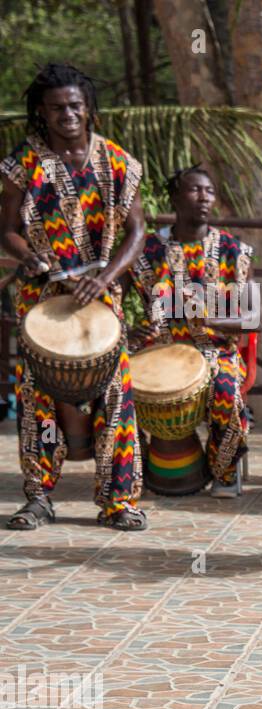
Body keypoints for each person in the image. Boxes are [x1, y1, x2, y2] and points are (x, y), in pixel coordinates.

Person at [1, 63, 147, 531]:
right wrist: (28, 257)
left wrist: (105, 278)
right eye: (57, 107)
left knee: (117, 398)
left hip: (101, 299)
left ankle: (119, 501)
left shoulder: (118, 162)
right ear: (42, 113)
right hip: (42, 300)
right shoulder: (23, 162)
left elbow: (138, 231)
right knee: (36, 397)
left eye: (75, 106)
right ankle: (39, 496)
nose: (67, 114)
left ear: (89, 110)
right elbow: (6, 229)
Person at [129, 165, 258, 497]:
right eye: (194, 190)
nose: (204, 198)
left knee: (227, 391)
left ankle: (224, 470)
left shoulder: (234, 251)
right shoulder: (148, 251)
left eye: (209, 191)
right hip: (159, 348)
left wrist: (207, 316)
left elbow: (253, 318)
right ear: (174, 196)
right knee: (117, 388)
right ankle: (131, 468)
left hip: (216, 350)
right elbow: (115, 293)